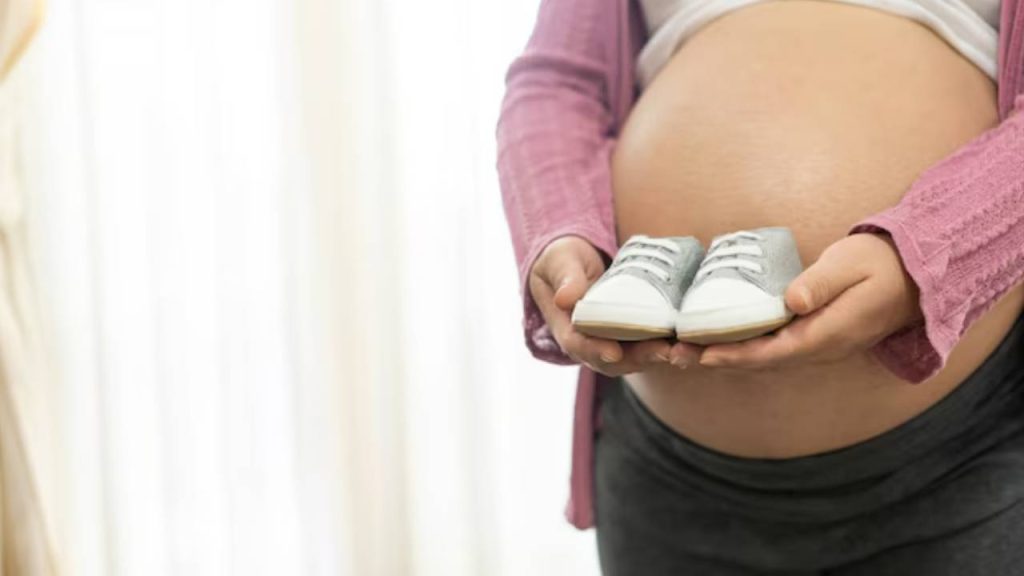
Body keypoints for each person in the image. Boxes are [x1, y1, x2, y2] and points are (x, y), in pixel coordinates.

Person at [496, 1, 1024, 574]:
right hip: (667, 480)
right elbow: (557, 83)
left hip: (961, 463)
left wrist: (933, 253)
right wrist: (558, 230)